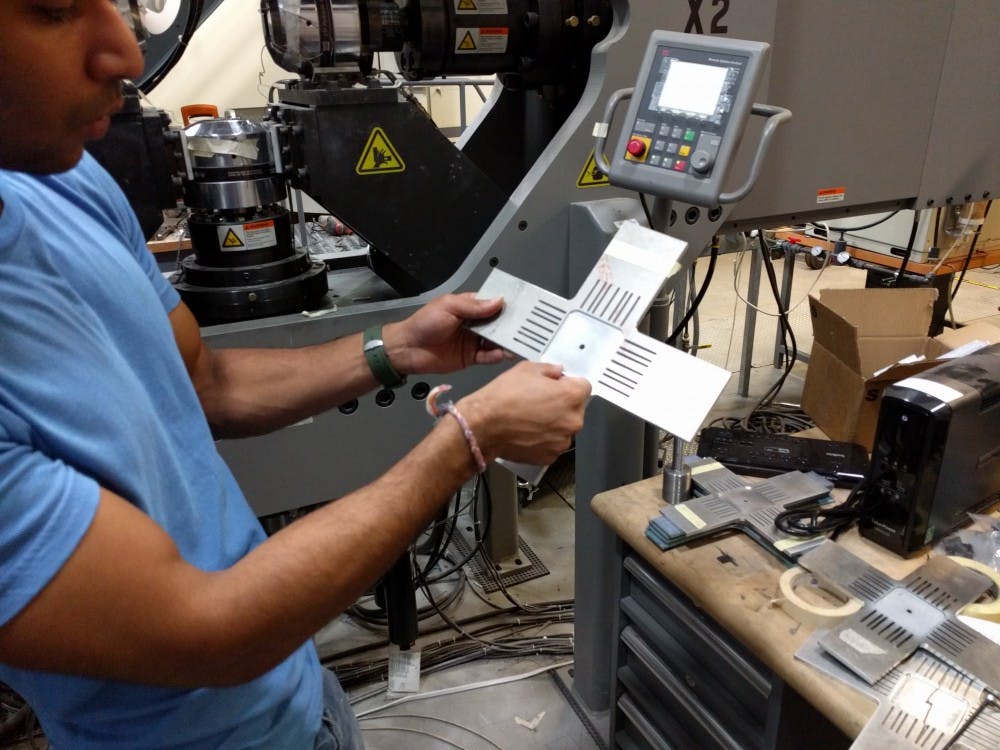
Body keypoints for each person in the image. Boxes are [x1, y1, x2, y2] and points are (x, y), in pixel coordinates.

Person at [0, 3, 591, 748]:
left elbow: (207, 381)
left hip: (304, 698)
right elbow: (208, 631)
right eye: (53, 10)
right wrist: (466, 440)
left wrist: (396, 345)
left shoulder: (60, 183)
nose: (124, 52)